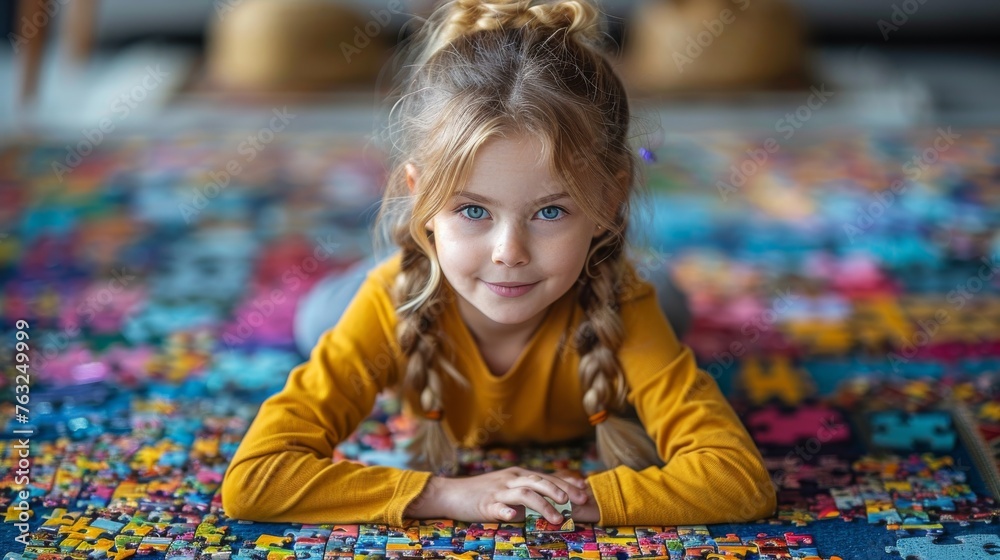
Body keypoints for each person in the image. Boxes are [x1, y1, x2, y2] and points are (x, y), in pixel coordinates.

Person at [221, 0, 776, 527]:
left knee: (668, 305)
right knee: (318, 321)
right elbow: (253, 482)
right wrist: (446, 495)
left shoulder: (624, 307)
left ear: (610, 200)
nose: (509, 251)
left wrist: (575, 502)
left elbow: (740, 483)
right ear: (421, 198)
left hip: (597, 283)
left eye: (551, 210)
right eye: (472, 209)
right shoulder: (388, 303)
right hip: (404, 287)